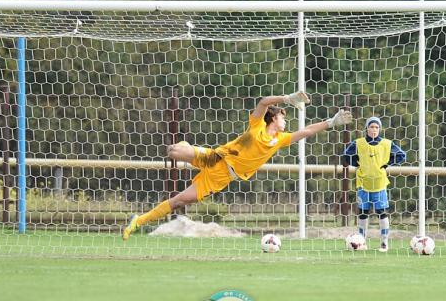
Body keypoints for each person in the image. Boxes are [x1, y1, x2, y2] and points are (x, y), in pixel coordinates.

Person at [123, 91, 353, 240]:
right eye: (283, 117)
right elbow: (263, 102)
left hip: (222, 177)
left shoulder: (280, 140)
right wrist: (287, 98)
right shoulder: (256, 125)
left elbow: (307, 131)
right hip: (216, 157)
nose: (286, 121)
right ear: (273, 118)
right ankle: (188, 148)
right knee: (173, 151)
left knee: (180, 201)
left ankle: (138, 221)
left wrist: (331, 122)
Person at [342, 117, 406, 252]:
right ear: (367, 128)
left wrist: (387, 163)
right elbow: (346, 155)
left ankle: (384, 243)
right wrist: (357, 163)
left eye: (376, 127)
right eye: (371, 127)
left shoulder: (386, 143)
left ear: (380, 129)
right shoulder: (358, 143)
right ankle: (362, 242)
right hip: (363, 183)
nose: (374, 130)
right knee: (363, 213)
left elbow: (401, 155)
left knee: (381, 212)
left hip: (380, 184)